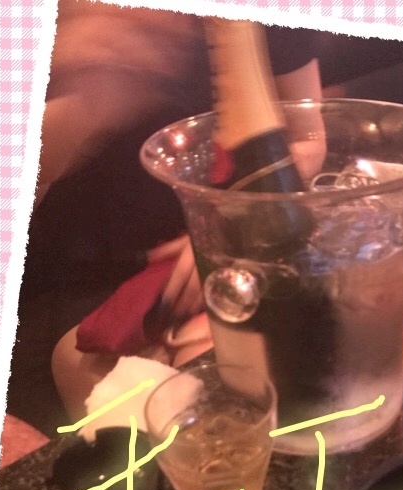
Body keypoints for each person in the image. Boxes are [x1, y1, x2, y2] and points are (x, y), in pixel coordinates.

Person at [19, 2, 324, 425]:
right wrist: (82, 106)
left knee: (306, 358)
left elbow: (308, 137)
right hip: (75, 281)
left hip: (238, 244)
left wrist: (223, 229)